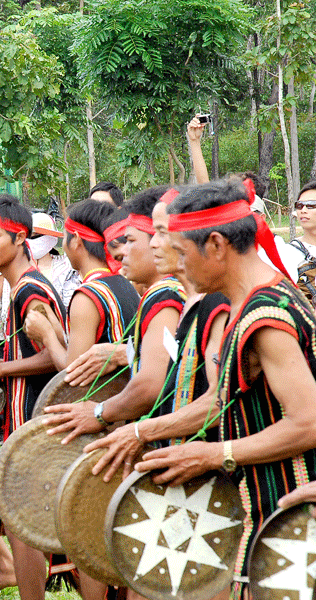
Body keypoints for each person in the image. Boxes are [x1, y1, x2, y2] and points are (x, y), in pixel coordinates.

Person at [127, 179, 316, 594]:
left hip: (288, 517)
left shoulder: (267, 313)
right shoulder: (249, 302)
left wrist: (215, 454)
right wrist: (143, 431)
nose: (176, 263)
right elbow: (222, 399)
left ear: (215, 245)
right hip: (267, 515)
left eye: (181, 251)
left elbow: (307, 423)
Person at [84, 188, 229, 482]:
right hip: (182, 464)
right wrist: (125, 353)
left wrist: (116, 419)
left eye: (162, 232)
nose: (155, 244)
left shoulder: (208, 300)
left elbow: (217, 401)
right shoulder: (191, 299)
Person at [0, 195, 67, 600]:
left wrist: (1, 368)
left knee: (22, 522)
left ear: (19, 237)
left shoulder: (30, 288)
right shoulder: (20, 285)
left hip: (32, 417)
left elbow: (56, 354)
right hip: (23, 415)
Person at [44, 187, 186, 444]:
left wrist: (100, 412)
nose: (121, 257)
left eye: (131, 241)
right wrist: (126, 354)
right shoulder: (159, 292)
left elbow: (151, 383)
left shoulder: (165, 295)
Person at [24, 199, 139, 373]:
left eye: (64, 236)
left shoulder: (87, 296)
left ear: (76, 240)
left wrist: (47, 335)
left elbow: (73, 369)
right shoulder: (124, 282)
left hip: (102, 397)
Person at [29, 212, 81, 308]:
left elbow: (68, 306)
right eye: (29, 236)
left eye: (36, 235)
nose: (31, 240)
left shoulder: (67, 268)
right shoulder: (18, 267)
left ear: (51, 237)